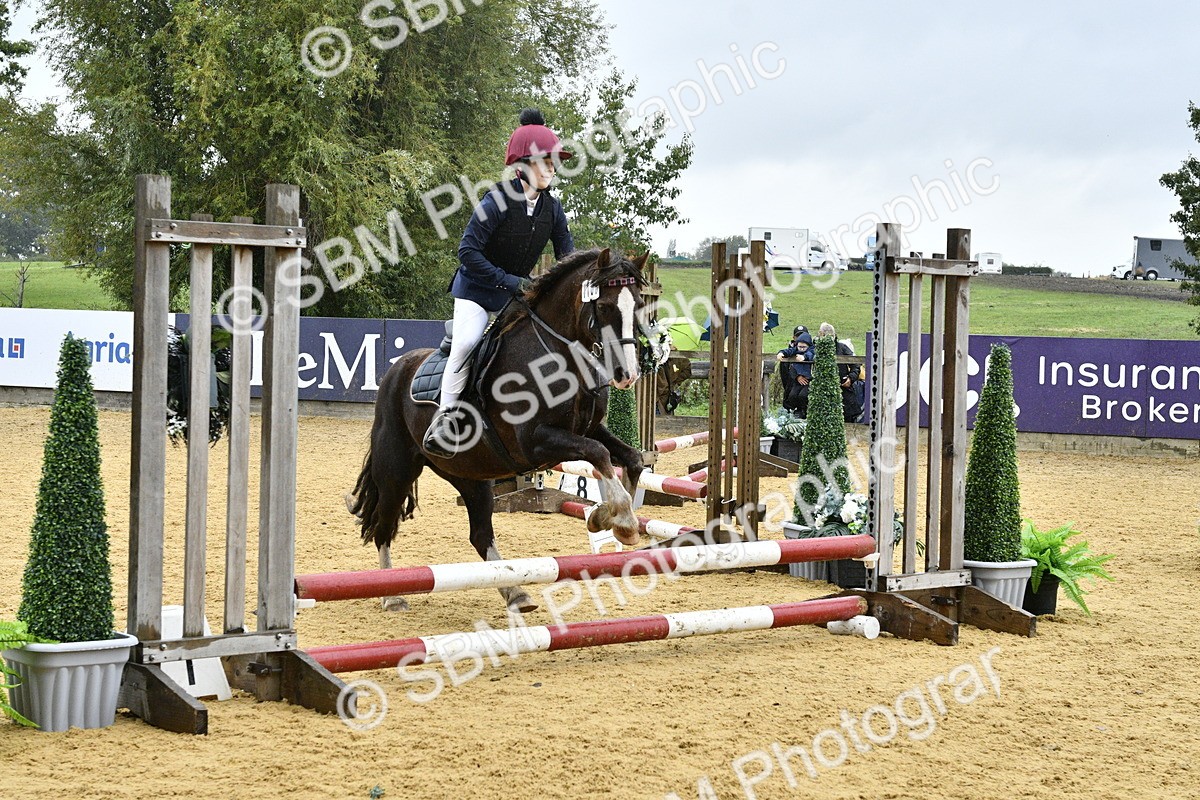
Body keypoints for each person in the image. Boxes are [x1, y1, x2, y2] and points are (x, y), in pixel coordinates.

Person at [423, 109, 575, 455]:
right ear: (523, 166)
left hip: (514, 295)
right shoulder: (497, 200)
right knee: (466, 343)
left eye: (554, 162)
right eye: (545, 162)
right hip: (476, 292)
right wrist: (509, 281)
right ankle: (445, 419)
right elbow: (467, 252)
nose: (552, 168)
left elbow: (567, 256)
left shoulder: (553, 209)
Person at [818, 322, 865, 422]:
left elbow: (856, 364)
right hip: (822, 391)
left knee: (847, 419)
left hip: (843, 389)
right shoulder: (816, 349)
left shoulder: (842, 348)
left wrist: (850, 378)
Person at [776, 325, 814, 416]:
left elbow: (811, 354)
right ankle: (793, 413)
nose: (801, 348)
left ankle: (804, 412)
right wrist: (781, 353)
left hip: (809, 380)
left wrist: (803, 357)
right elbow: (787, 353)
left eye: (803, 347)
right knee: (792, 396)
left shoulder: (812, 349)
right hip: (793, 382)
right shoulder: (794, 349)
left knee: (803, 396)